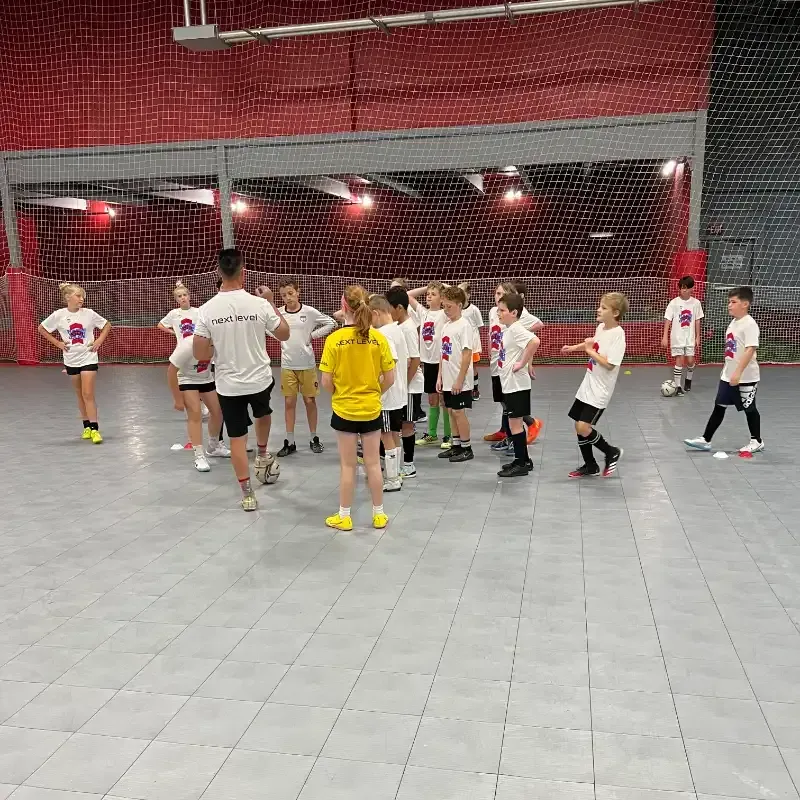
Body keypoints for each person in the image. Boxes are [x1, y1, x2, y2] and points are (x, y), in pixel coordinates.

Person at [193, 249, 290, 512]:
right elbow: (284, 333)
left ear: (218, 272)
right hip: (259, 379)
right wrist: (270, 302)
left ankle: (247, 494)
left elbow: (200, 353)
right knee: (264, 413)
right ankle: (261, 453)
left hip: (228, 385)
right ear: (243, 272)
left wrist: (219, 345)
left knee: (237, 438)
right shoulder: (258, 304)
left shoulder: (206, 310)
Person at [319, 285, 396, 531]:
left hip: (344, 411)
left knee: (348, 465)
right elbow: (390, 378)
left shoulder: (334, 340)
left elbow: (326, 382)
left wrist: (342, 395)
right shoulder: (378, 338)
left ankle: (344, 516)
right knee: (373, 464)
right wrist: (373, 392)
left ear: (344, 308)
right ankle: (379, 515)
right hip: (372, 409)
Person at [684, 286, 763, 454]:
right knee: (719, 406)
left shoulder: (750, 324)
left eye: (733, 302)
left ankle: (757, 440)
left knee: (750, 408)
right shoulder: (734, 322)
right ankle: (706, 439)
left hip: (746, 377)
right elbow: (732, 349)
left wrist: (738, 373)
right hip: (728, 375)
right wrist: (727, 370)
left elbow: (750, 350)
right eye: (729, 302)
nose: (729, 305)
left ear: (745, 304)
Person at [561, 292, 627, 478]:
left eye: (603, 307)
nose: (598, 309)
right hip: (588, 384)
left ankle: (611, 451)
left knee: (584, 427)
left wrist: (589, 351)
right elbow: (592, 344)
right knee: (578, 425)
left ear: (615, 313)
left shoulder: (618, 335)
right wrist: (573, 348)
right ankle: (590, 465)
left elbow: (609, 363)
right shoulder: (601, 328)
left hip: (601, 389)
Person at [38, 283, 112, 443]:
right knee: (79, 395)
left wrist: (99, 340)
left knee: (88, 393)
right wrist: (57, 343)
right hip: (71, 360)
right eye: (78, 296)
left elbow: (106, 325)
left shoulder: (89, 314)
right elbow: (42, 329)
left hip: (89, 357)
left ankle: (95, 429)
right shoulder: (58, 315)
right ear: (68, 298)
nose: (81, 299)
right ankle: (86, 426)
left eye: (82, 296)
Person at [274, 278, 335, 457]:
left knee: (310, 401)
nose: (288, 298)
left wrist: (312, 336)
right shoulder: (278, 313)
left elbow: (331, 322)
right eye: (284, 295)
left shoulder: (309, 312)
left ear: (298, 292)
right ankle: (290, 441)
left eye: (291, 293)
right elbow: (269, 328)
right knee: (289, 402)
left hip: (307, 365)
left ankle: (313, 437)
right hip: (287, 365)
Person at [485, 282, 544, 453]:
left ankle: (521, 448)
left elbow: (533, 337)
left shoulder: (516, 324)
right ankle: (509, 439)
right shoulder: (497, 317)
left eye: (501, 294)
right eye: (496, 293)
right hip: (499, 365)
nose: (497, 297)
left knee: (512, 411)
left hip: (514, 374)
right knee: (506, 407)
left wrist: (525, 362)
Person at [167, 333, 226, 472]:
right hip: (186, 379)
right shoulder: (187, 346)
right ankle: (199, 455)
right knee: (195, 413)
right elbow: (171, 371)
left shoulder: (219, 341)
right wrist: (177, 399)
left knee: (218, 412)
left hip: (206, 378)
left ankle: (213, 446)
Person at [496, 292, 540, 477]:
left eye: (502, 310)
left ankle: (521, 463)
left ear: (514, 312)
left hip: (517, 385)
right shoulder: (508, 329)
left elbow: (534, 341)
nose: (498, 313)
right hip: (510, 384)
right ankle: (523, 459)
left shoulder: (515, 328)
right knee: (515, 424)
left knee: (515, 425)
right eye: (498, 310)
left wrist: (522, 363)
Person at [369, 295, 408, 492]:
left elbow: (389, 365)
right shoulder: (397, 330)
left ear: (376, 313)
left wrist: (378, 388)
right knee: (394, 433)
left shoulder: (384, 334)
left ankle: (392, 478)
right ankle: (397, 471)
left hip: (387, 395)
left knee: (386, 436)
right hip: (400, 393)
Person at [386, 286, 422, 478]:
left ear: (399, 308)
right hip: (402, 386)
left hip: (411, 386)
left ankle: (409, 464)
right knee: (397, 425)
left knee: (407, 424)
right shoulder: (398, 327)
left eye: (389, 308)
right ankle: (398, 463)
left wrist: (405, 383)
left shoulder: (408, 328)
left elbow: (415, 359)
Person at [409, 281, 450, 447]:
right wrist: (427, 287)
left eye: (433, 294)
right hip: (427, 363)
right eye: (428, 294)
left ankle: (449, 435)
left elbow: (458, 291)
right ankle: (432, 434)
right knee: (432, 399)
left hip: (442, 363)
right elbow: (408, 295)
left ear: (441, 299)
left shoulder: (444, 313)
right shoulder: (423, 313)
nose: (429, 296)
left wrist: (441, 286)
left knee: (444, 401)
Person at [436, 285, 474, 462]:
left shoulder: (464, 326)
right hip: (448, 378)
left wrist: (460, 380)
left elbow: (467, 355)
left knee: (459, 412)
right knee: (450, 411)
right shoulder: (447, 325)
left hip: (460, 379)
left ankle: (467, 447)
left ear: (459, 305)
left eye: (449, 306)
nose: (446, 310)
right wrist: (440, 377)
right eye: (444, 306)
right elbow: (443, 354)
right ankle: (456, 445)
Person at [662, 275, 704, 395]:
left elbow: (697, 320)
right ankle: (678, 386)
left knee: (690, 361)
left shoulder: (696, 303)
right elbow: (668, 320)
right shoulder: (673, 303)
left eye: (686, 288)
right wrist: (665, 336)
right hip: (677, 336)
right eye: (681, 288)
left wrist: (697, 336)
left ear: (692, 288)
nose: (683, 290)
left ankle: (688, 379)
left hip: (689, 337)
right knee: (679, 359)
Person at [459, 282, 485, 401]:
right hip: (460, 344)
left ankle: (475, 389)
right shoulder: (457, 308)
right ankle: (464, 388)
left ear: (468, 295)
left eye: (462, 292)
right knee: (461, 365)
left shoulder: (474, 309)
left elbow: (480, 326)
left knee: (473, 367)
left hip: (472, 344)